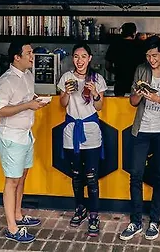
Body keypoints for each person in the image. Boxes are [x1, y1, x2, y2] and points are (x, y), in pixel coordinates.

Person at [119, 36, 160, 242]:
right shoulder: (141, 69)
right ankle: (136, 221)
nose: (151, 60)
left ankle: (155, 220)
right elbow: (132, 101)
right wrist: (139, 94)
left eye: (155, 55)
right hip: (142, 129)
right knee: (135, 174)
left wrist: (156, 98)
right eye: (148, 56)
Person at [0, 40, 50, 244]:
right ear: (17, 57)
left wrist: (36, 101)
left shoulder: (28, 75)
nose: (32, 56)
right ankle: (12, 228)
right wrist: (28, 105)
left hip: (26, 135)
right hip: (10, 136)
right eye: (28, 53)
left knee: (22, 177)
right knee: (12, 181)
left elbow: (26, 97)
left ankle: (18, 214)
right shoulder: (6, 81)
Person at [57, 43, 108, 237]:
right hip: (71, 133)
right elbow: (63, 104)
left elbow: (100, 106)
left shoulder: (97, 79)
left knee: (92, 177)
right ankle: (80, 208)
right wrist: (66, 93)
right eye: (76, 56)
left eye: (83, 56)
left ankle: (94, 214)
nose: (80, 61)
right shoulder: (66, 78)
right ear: (73, 58)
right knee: (77, 175)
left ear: (90, 59)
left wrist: (94, 93)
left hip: (91, 132)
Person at [105, 22, 143, 97]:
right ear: (134, 33)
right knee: (136, 102)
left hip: (120, 83)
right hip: (136, 83)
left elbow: (107, 66)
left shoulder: (115, 45)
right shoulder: (140, 46)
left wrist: (117, 72)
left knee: (119, 103)